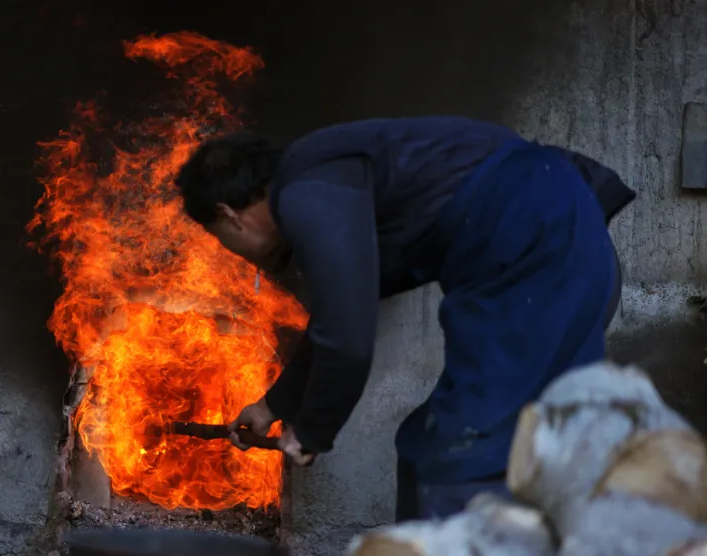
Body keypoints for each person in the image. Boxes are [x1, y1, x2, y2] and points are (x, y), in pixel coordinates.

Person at [173, 116, 635, 521]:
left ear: (229, 215)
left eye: (219, 239)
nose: (233, 253)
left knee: (463, 448)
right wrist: (275, 406)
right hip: (552, 237)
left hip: (539, 247)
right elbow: (336, 316)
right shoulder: (327, 187)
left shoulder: (306, 192)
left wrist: (311, 433)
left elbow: (348, 340)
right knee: (427, 445)